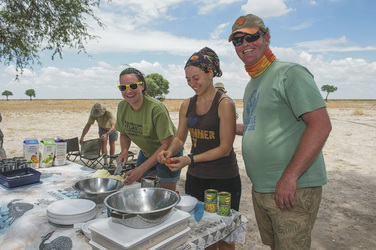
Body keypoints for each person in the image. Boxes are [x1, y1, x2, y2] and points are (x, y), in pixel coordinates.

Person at [228, 14, 332, 249]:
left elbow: (321, 124)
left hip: (292, 188)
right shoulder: (252, 82)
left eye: (251, 37)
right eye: (237, 41)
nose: (244, 45)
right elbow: (259, 128)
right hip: (263, 188)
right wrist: (226, 128)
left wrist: (290, 176)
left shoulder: (290, 72)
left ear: (266, 37)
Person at [158, 47, 241, 250]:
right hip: (196, 179)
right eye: (188, 79)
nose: (192, 84)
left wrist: (190, 159)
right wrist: (169, 151)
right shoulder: (187, 104)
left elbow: (224, 148)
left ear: (210, 73)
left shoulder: (224, 103)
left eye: (196, 78)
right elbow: (180, 137)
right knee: (202, 234)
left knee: (225, 236)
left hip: (223, 179)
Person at [115, 67, 182, 191]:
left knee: (166, 191)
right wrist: (124, 151)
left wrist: (141, 169)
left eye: (133, 86)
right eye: (123, 87)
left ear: (143, 86)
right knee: (141, 186)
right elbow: (124, 133)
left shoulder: (156, 108)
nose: (128, 91)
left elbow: (167, 142)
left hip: (167, 152)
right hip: (147, 152)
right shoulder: (122, 107)